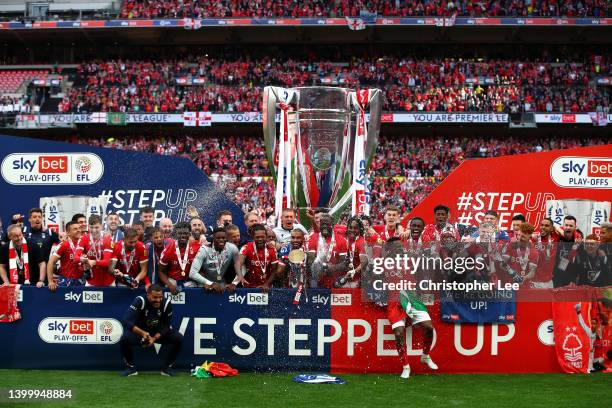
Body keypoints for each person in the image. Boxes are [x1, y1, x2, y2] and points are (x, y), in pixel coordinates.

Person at [380, 238, 438, 379]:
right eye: (397, 247)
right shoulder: (382, 264)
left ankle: (425, 355)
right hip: (394, 300)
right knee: (399, 333)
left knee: (428, 328)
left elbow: (426, 270)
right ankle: (406, 366)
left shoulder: (411, 260)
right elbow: (375, 280)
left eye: (402, 247)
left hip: (412, 298)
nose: (401, 249)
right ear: (390, 249)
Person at [120, 284, 184, 377]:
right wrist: (143, 334)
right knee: (124, 339)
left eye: (160, 297)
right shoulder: (140, 300)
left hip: (157, 334)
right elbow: (126, 321)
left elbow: (166, 325)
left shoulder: (166, 303)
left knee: (179, 338)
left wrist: (154, 338)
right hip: (141, 334)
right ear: (148, 295)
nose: (158, 300)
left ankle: (166, 368)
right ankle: (131, 368)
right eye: (155, 297)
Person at [189, 227, 239, 293]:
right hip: (205, 284)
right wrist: (210, 283)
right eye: (218, 238)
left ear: (226, 238)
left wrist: (234, 283)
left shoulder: (232, 248)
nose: (221, 240)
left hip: (222, 284)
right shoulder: (204, 250)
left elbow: (242, 267)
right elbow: (192, 273)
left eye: (223, 238)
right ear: (213, 238)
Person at [306, 214, 348, 288]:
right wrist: (320, 268)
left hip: (334, 279)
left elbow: (344, 263)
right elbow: (310, 260)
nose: (324, 226)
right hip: (317, 278)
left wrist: (333, 268)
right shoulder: (313, 238)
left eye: (327, 224)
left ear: (332, 225)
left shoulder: (341, 240)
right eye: (322, 224)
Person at [159, 222, 200, 294]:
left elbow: (202, 269)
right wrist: (169, 285)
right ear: (176, 234)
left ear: (190, 234)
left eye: (185, 233)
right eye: (180, 233)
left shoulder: (197, 248)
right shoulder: (169, 249)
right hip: (173, 281)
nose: (183, 236)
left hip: (190, 281)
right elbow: (161, 271)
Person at [75, 215, 115, 287]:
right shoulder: (84, 238)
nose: (94, 230)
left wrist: (92, 262)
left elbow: (106, 262)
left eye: (97, 227)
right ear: (88, 227)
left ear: (102, 226)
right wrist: (82, 259)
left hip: (108, 281)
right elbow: (75, 257)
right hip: (91, 281)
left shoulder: (107, 238)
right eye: (91, 227)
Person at [235, 223, 278, 288]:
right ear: (253, 237)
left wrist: (266, 284)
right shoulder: (247, 247)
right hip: (249, 287)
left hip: (266, 287)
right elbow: (238, 263)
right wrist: (240, 275)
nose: (260, 239)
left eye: (262, 237)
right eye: (257, 237)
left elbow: (274, 270)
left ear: (266, 237)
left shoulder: (272, 249)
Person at [47, 221, 83, 289]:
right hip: (66, 282)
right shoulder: (64, 245)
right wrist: (50, 281)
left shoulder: (83, 244)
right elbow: (50, 262)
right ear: (68, 233)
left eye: (79, 228)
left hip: (81, 281)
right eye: (75, 229)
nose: (79, 230)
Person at [553, 215, 582, 287]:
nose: (568, 227)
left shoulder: (578, 237)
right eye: (566, 225)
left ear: (575, 227)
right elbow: (554, 227)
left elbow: (578, 263)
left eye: (571, 226)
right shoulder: (558, 231)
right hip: (555, 276)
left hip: (570, 277)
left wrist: (574, 279)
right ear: (563, 225)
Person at [531, 217, 558, 288]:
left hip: (548, 281)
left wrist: (556, 229)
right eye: (542, 225)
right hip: (534, 281)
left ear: (552, 228)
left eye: (546, 226)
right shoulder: (534, 238)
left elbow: (567, 232)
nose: (543, 227)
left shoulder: (555, 239)